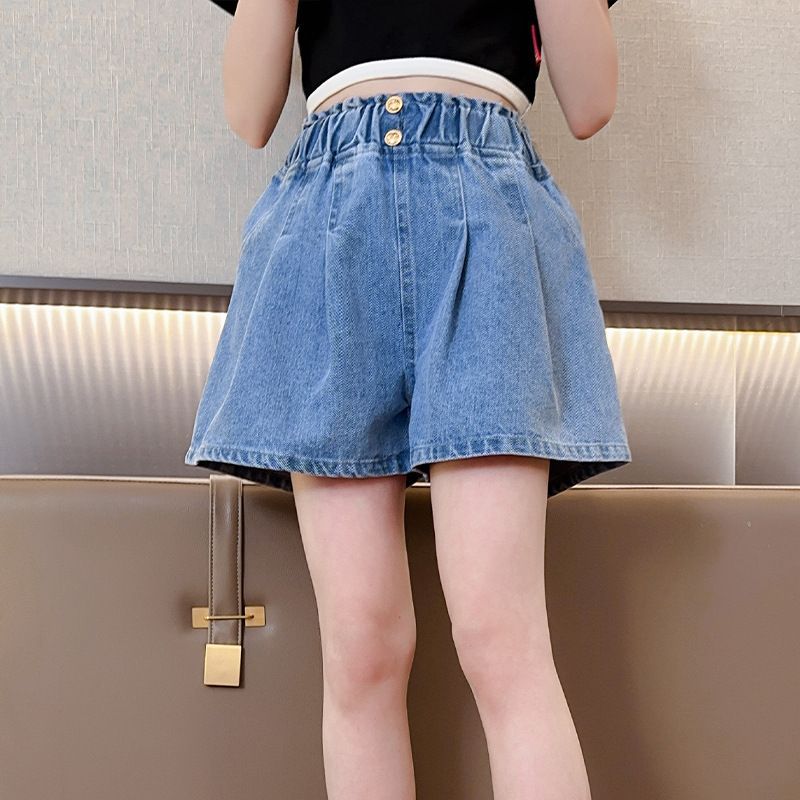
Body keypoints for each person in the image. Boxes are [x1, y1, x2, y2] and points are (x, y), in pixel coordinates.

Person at [186, 1, 632, 797]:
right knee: (362, 648)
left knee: (501, 640)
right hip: (330, 219)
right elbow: (249, 112)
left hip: (486, 212)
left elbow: (591, 101)